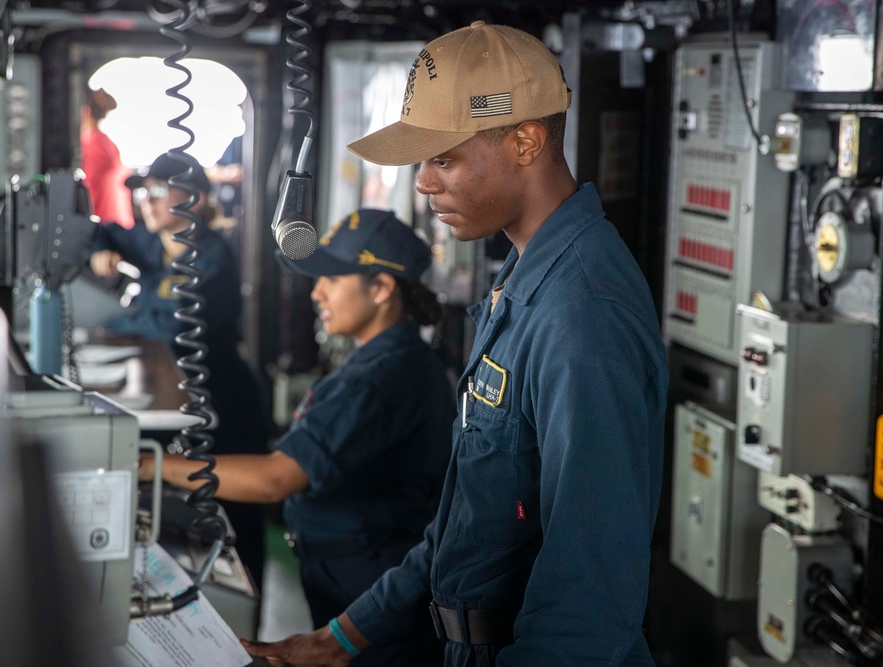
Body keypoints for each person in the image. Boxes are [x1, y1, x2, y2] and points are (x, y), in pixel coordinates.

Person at [241, 21, 668, 667]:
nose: (423, 183)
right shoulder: (523, 275)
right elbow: (465, 518)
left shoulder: (582, 314)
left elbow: (589, 597)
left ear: (525, 140)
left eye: (443, 158)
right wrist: (340, 637)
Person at [140, 208, 454, 666]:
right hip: (347, 570)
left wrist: (151, 466)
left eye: (331, 278)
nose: (316, 292)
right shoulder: (391, 359)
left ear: (382, 289)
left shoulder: (383, 376)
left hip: (368, 581)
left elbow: (275, 479)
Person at [90, 152, 270, 592]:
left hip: (223, 400)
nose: (146, 202)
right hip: (182, 398)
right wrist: (101, 253)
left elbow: (169, 326)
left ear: (195, 197)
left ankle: (248, 621)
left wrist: (114, 323)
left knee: (233, 514)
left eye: (157, 192)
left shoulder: (211, 258)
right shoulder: (153, 243)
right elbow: (97, 230)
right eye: (143, 192)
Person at [81, 87, 135, 229]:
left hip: (104, 232)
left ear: (86, 112)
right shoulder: (107, 144)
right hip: (122, 227)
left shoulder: (91, 144)